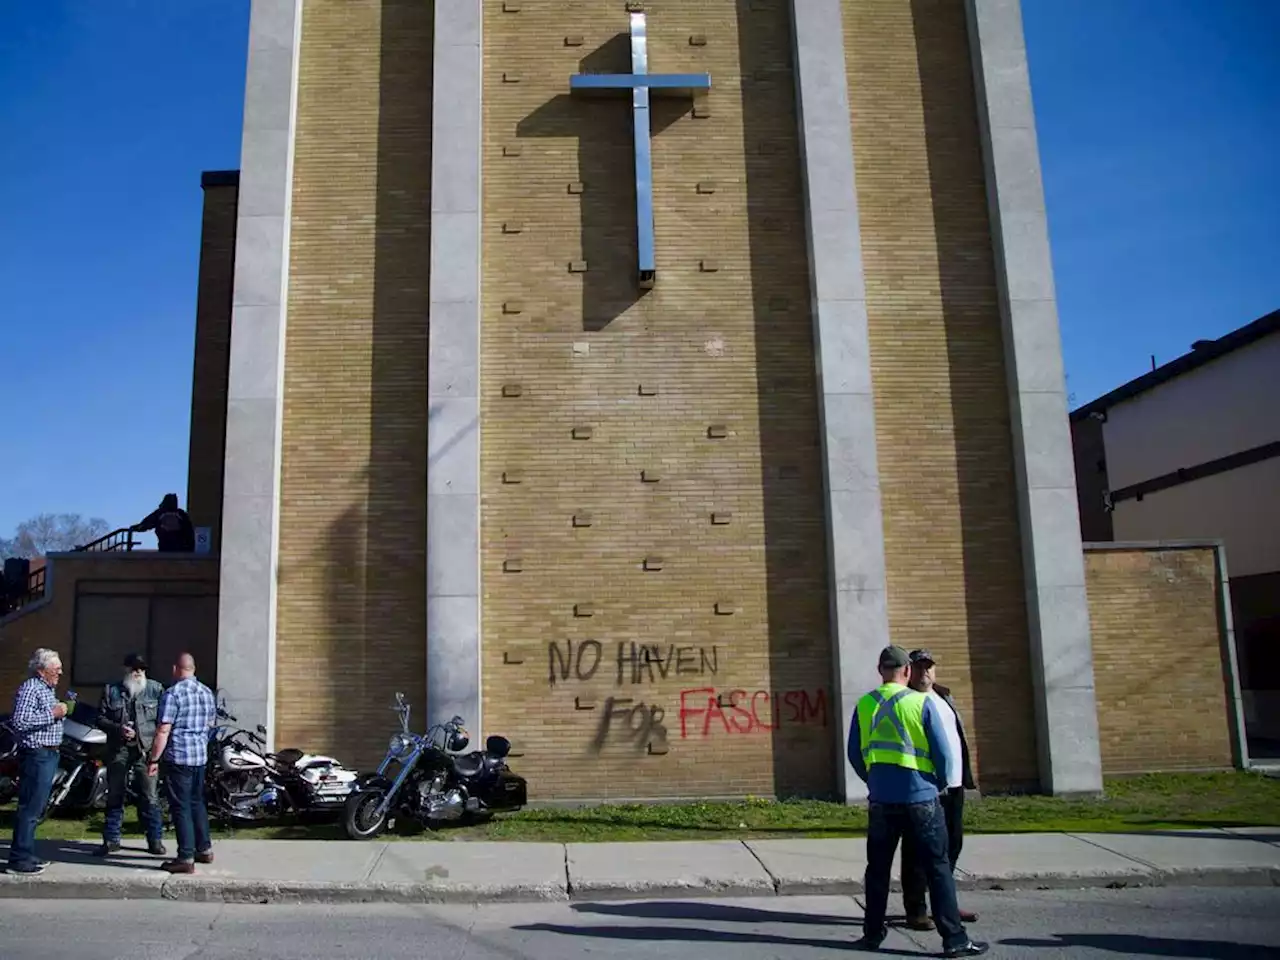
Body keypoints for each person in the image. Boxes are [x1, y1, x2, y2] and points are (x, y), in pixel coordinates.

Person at [849, 645, 987, 957]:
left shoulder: (865, 704)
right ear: (907, 671)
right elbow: (943, 754)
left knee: (878, 870)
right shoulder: (920, 702)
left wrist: (873, 781)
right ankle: (954, 939)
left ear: (880, 670)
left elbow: (854, 754)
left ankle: (872, 934)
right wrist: (936, 783)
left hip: (881, 801)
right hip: (921, 797)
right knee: (937, 868)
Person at [900, 649, 978, 930]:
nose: (925, 673)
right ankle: (916, 909)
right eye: (919, 668)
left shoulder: (944, 696)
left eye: (929, 667)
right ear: (909, 671)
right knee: (917, 850)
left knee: (952, 844)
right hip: (925, 788)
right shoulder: (906, 701)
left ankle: (945, 904)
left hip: (953, 785)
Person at [146, 653, 216, 874]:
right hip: (199, 756)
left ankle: (185, 856)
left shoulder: (173, 694)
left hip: (179, 756)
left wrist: (154, 758)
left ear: (176, 668)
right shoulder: (206, 692)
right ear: (193, 669)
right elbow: (211, 723)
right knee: (197, 802)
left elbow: (163, 729)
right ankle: (204, 848)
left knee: (181, 806)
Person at [95, 652, 166, 857]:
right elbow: (99, 718)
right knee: (115, 794)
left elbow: (163, 722)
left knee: (150, 796)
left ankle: (155, 840)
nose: (138, 672)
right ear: (126, 669)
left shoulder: (156, 689)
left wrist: (156, 749)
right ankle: (111, 839)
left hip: (145, 750)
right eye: (134, 668)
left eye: (141, 669)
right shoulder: (112, 690)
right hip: (119, 749)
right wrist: (118, 728)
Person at [6, 648, 68, 875]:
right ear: (42, 670)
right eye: (56, 669)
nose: (60, 673)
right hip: (36, 754)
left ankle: (27, 852)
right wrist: (53, 713)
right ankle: (19, 859)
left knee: (37, 807)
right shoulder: (31, 688)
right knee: (30, 807)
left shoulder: (46, 689)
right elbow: (20, 721)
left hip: (48, 753)